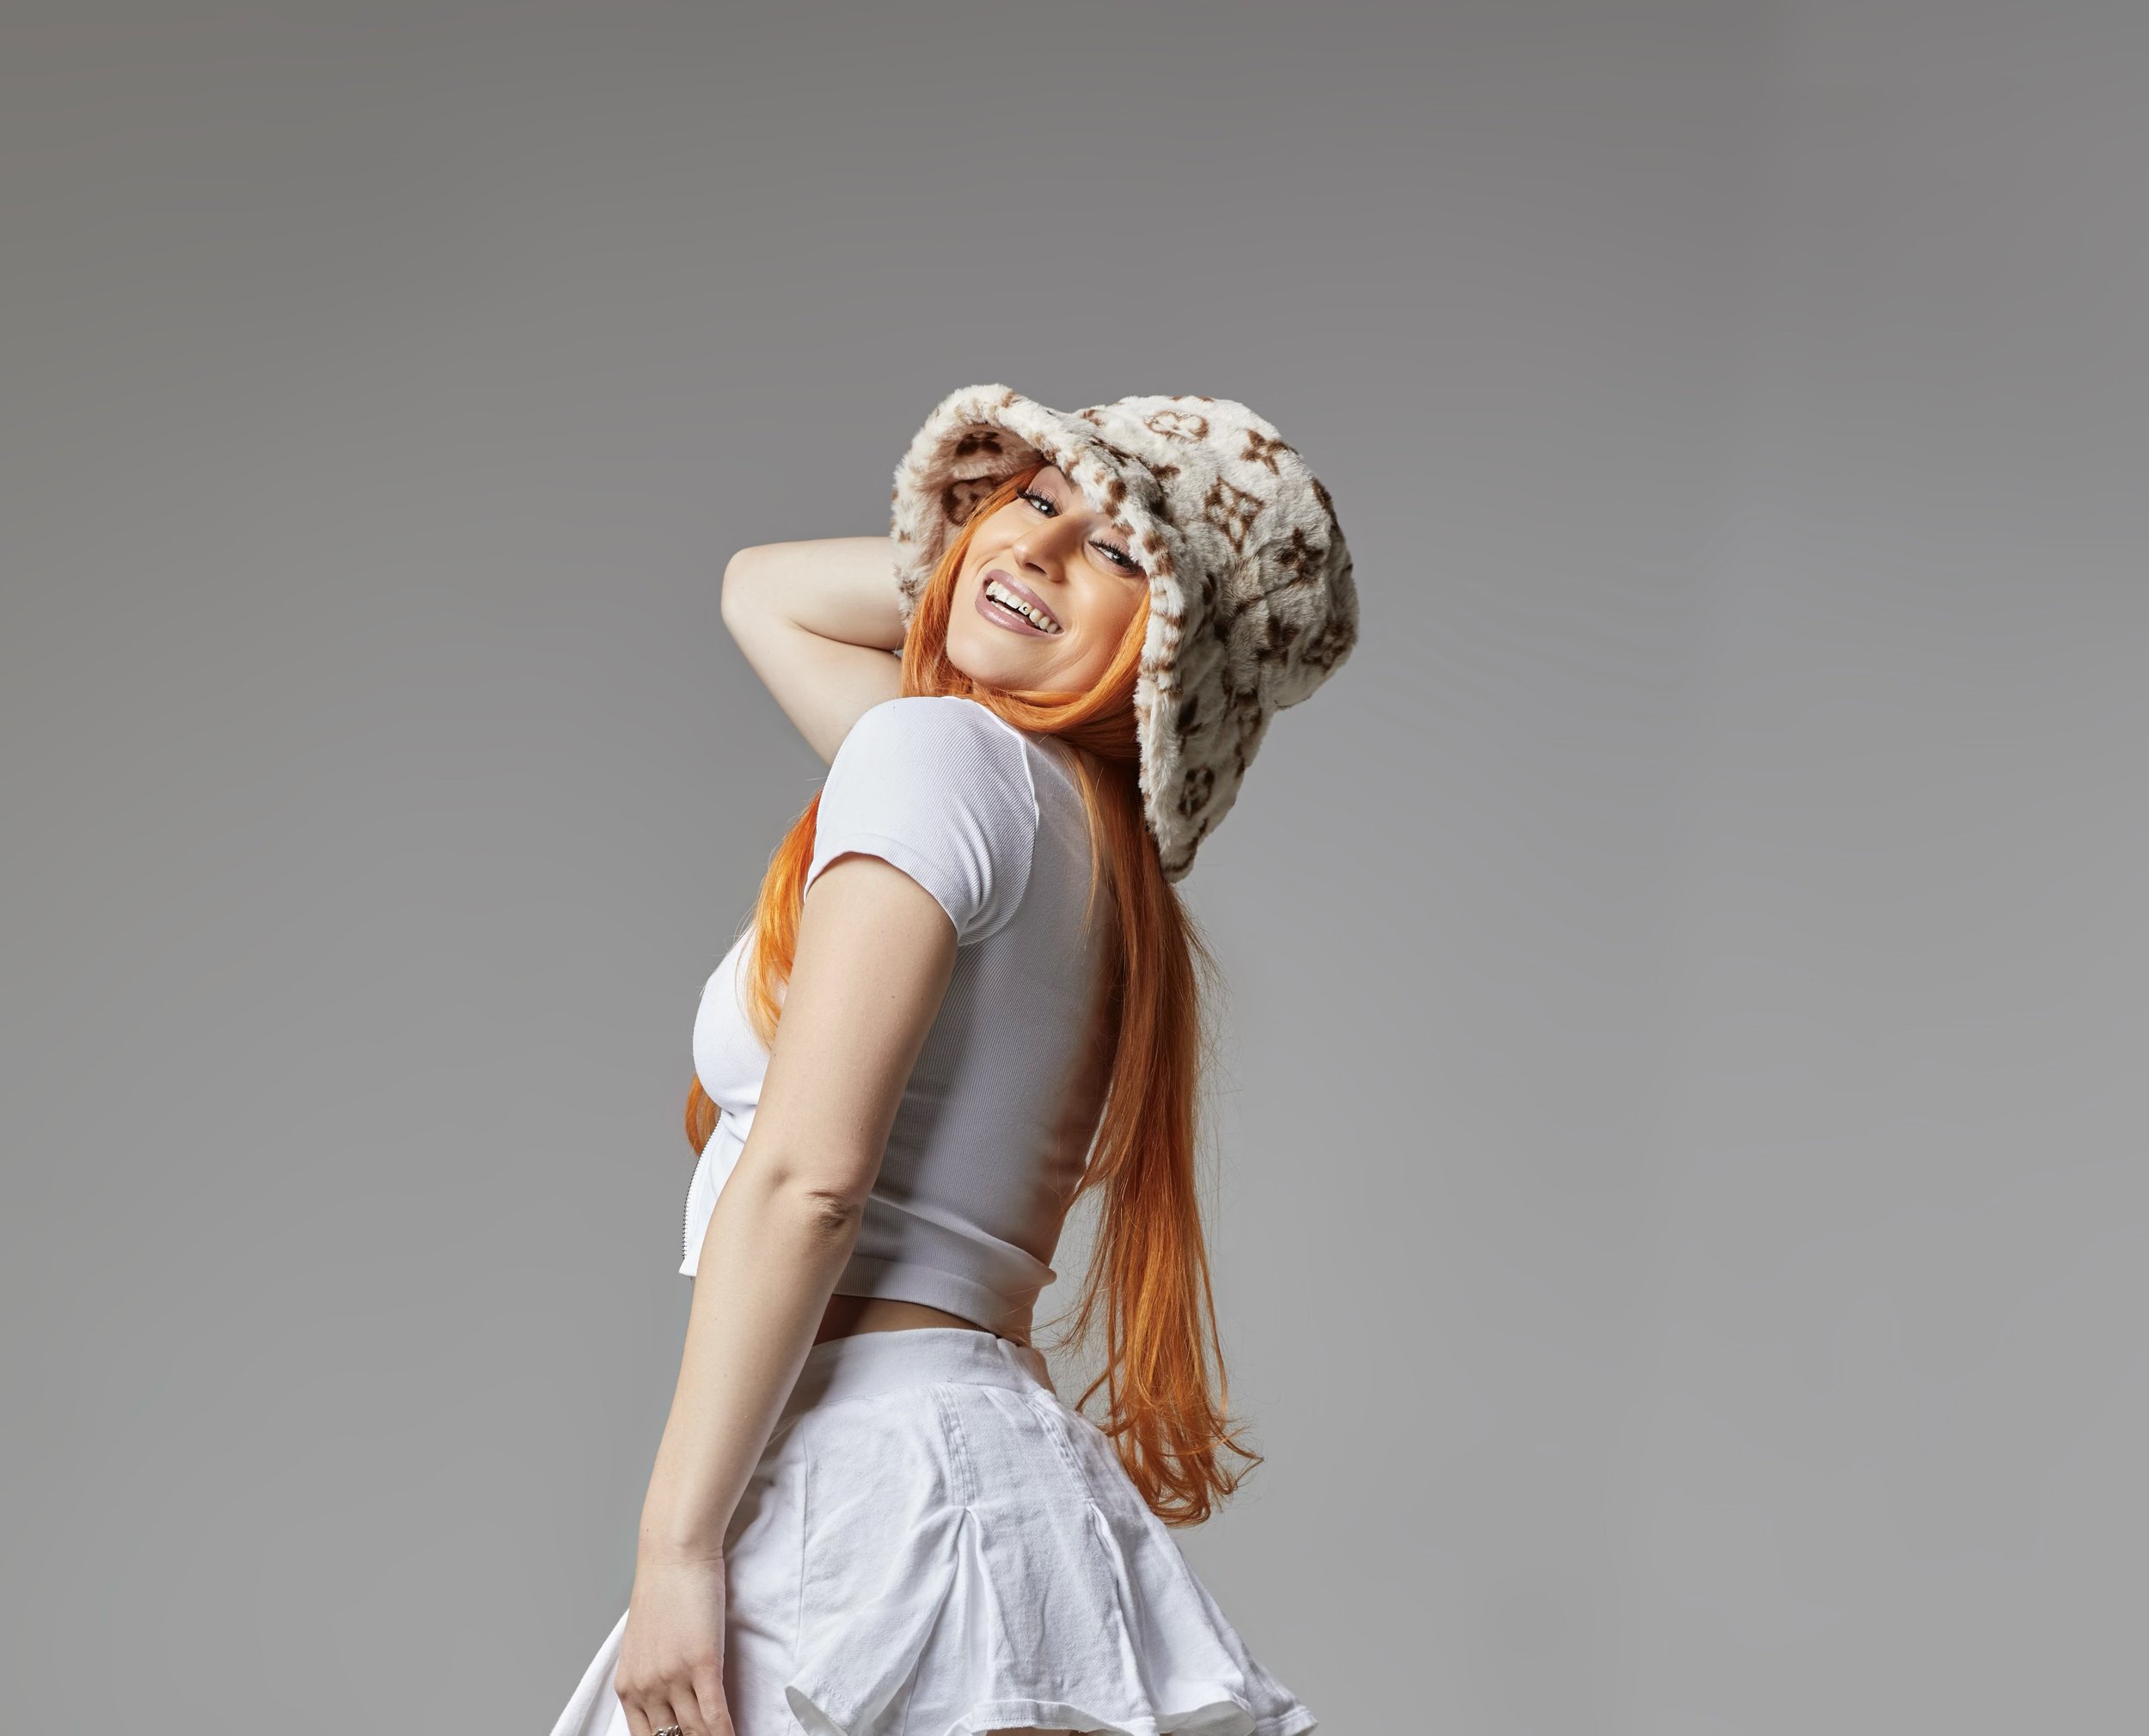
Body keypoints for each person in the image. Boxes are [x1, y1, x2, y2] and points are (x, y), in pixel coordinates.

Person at [548, 383, 1360, 1736]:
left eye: (1118, 553)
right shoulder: (1089, 848)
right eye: (1035, 498)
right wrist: (998, 551)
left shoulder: (942, 761)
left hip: (871, 1505)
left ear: (1169, 654)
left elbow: (809, 1183)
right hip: (990, 1484)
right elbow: (764, 594)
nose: (1040, 545)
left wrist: (675, 1549)